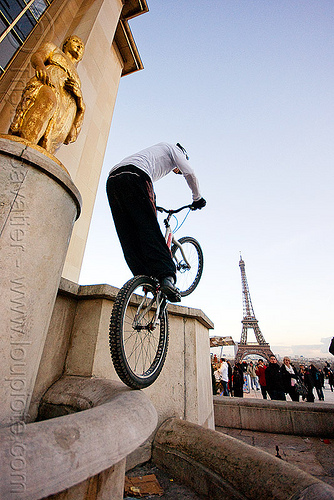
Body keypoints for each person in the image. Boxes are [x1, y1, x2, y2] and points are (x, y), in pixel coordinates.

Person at [106, 142, 206, 302]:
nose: (178, 172)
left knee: (128, 236)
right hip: (136, 176)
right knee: (150, 231)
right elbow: (190, 173)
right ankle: (167, 276)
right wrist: (197, 198)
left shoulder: (153, 155)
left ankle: (144, 278)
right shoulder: (174, 150)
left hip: (113, 180)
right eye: (177, 171)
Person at [9, 35, 85, 153]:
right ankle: (22, 152)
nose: (79, 46)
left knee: (49, 142)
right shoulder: (53, 49)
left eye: (82, 46)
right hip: (49, 84)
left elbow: (81, 108)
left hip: (66, 109)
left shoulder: (78, 77)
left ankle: (36, 160)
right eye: (75, 41)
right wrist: (40, 66)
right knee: (48, 102)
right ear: (66, 44)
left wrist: (79, 96)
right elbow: (37, 56)